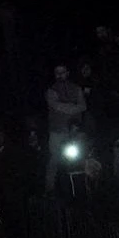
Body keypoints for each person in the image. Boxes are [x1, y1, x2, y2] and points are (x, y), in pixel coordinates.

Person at [44, 63, 87, 192]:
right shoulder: (51, 91)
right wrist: (73, 107)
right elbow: (57, 106)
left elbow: (83, 106)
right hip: (57, 132)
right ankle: (49, 190)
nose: (60, 75)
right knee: (55, 161)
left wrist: (68, 107)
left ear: (68, 73)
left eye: (62, 72)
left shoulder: (77, 88)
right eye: (57, 72)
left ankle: (82, 189)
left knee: (79, 160)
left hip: (75, 133)